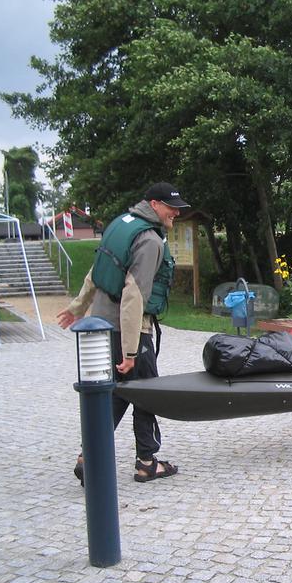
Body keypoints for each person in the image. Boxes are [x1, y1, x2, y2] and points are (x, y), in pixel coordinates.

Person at [57, 183, 190, 483]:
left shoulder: (121, 225)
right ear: (154, 204)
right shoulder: (150, 240)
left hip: (104, 326)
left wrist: (78, 308)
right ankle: (146, 462)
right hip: (129, 330)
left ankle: (88, 455)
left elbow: (96, 272)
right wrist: (131, 350)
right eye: (172, 207)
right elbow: (133, 295)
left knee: (116, 393)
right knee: (146, 392)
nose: (177, 213)